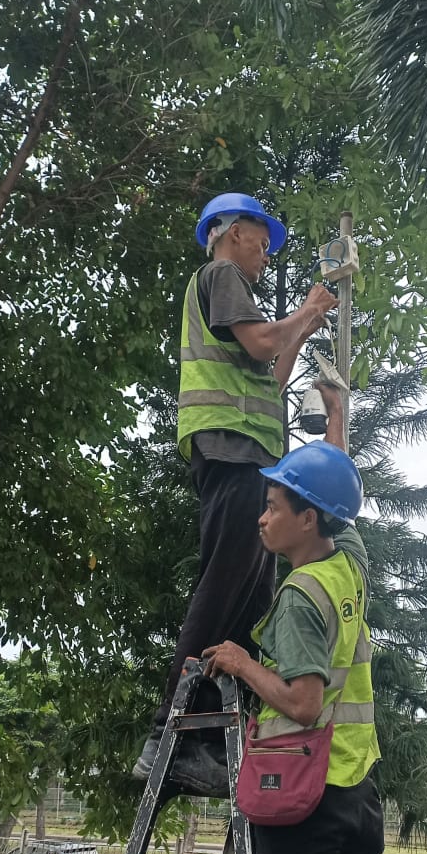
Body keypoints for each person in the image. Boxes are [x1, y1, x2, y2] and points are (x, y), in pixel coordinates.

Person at [202, 387, 406, 854]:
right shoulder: (346, 566)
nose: (262, 518)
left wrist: (239, 661)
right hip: (357, 799)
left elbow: (304, 701)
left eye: (274, 508)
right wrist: (336, 421)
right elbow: (340, 494)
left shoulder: (296, 600)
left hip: (305, 811)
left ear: (305, 520)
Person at [133, 192, 337, 793]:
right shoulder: (220, 274)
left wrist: (299, 329)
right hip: (231, 451)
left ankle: (205, 740)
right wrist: (307, 307)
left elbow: (270, 374)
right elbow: (260, 344)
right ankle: (168, 737)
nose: (266, 251)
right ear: (229, 231)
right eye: (261, 237)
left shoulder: (231, 294)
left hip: (245, 454)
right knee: (224, 585)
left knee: (250, 601)